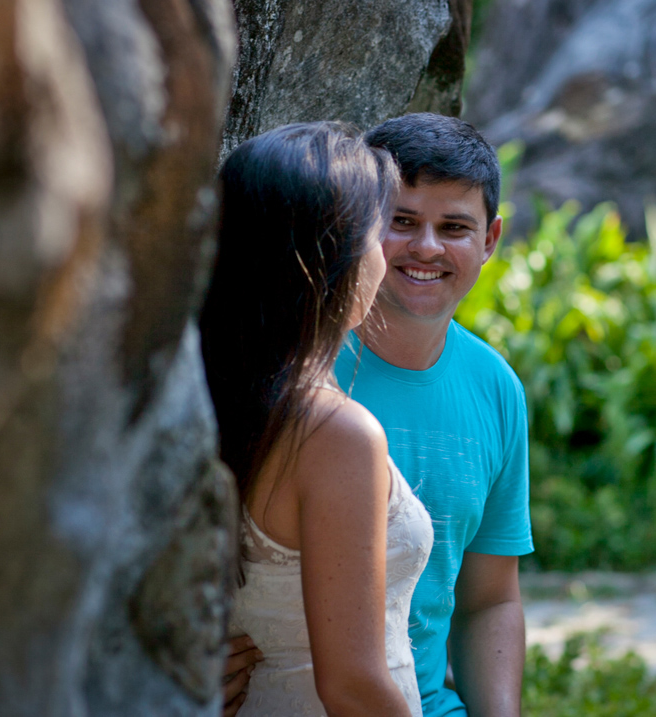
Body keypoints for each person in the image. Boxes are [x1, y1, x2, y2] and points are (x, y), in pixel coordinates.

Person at [225, 113, 534, 717]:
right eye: (396, 223)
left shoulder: (497, 388)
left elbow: (491, 597)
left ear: (491, 239)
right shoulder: (286, 381)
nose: (424, 248)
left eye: (453, 227)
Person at [202, 122, 433, 717]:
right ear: (341, 258)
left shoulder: (214, 397)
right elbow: (353, 687)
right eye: (383, 231)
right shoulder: (337, 434)